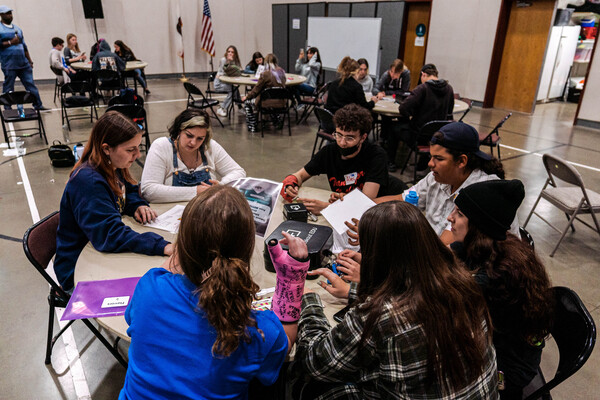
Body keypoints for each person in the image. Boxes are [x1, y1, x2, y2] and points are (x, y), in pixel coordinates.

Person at [289, 201, 498, 399]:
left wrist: (309, 302)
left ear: (378, 255)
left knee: (311, 386)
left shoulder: (379, 314)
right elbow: (410, 300)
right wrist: (357, 291)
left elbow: (316, 363)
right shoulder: (462, 281)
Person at [119, 186, 292, 400]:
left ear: (182, 245)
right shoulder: (258, 329)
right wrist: (292, 278)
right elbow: (285, 345)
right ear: (247, 250)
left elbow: (133, 316)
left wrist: (189, 243)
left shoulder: (150, 287)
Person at [447, 179, 553, 399]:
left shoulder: (494, 279)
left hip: (505, 372)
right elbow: (438, 259)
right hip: (497, 347)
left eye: (459, 213)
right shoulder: (491, 246)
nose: (450, 217)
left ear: (478, 225)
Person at [53, 111, 173, 292]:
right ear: (107, 148)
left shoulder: (112, 165)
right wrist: (161, 245)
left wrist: (136, 204)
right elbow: (110, 235)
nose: (138, 155)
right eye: (130, 149)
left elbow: (128, 189)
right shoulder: (89, 181)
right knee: (152, 290)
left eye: (137, 147)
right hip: (78, 270)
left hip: (99, 252)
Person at [373, 121, 519, 244]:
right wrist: (367, 211)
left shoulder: (481, 193)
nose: (430, 163)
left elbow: (443, 249)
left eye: (439, 158)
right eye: (430, 157)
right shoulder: (437, 177)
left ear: (462, 161)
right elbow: (402, 199)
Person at [281, 104, 402, 215]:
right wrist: (291, 182)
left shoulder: (376, 155)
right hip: (350, 208)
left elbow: (365, 203)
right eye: (338, 135)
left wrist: (327, 208)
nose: (342, 143)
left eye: (350, 138)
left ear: (363, 137)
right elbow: (300, 175)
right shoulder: (329, 152)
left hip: (387, 210)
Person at [141, 108, 246, 203]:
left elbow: (239, 172)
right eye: (189, 135)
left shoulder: (209, 147)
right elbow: (149, 190)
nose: (193, 143)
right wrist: (196, 191)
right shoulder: (161, 146)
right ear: (179, 130)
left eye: (200, 138)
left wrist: (221, 186)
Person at [385, 63, 455, 172]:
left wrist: (412, 114)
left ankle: (391, 163)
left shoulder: (423, 88)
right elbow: (450, 114)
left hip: (418, 135)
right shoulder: (449, 89)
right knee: (425, 130)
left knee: (393, 128)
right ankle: (423, 161)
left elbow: (403, 108)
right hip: (438, 136)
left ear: (423, 75)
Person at [0, 6, 47, 111]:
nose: (9, 15)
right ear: (1, 15)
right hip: (9, 64)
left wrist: (30, 61)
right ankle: (7, 108)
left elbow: (24, 46)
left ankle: (38, 105)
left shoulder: (17, 29)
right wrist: (10, 42)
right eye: (7, 13)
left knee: (31, 85)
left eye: (10, 13)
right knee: (8, 88)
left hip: (23, 64)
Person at [240, 53, 286, 133]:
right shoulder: (282, 72)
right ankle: (277, 121)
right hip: (281, 102)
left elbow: (256, 90)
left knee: (247, 102)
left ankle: (253, 126)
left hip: (266, 102)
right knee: (273, 99)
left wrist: (247, 97)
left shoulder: (265, 74)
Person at [214, 45, 243, 117]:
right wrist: (229, 62)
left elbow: (238, 71)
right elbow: (223, 72)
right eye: (228, 51)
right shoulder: (224, 60)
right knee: (233, 91)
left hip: (227, 83)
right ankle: (222, 108)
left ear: (235, 54)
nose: (230, 53)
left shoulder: (235, 61)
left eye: (232, 52)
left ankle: (239, 107)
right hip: (219, 83)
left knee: (235, 89)